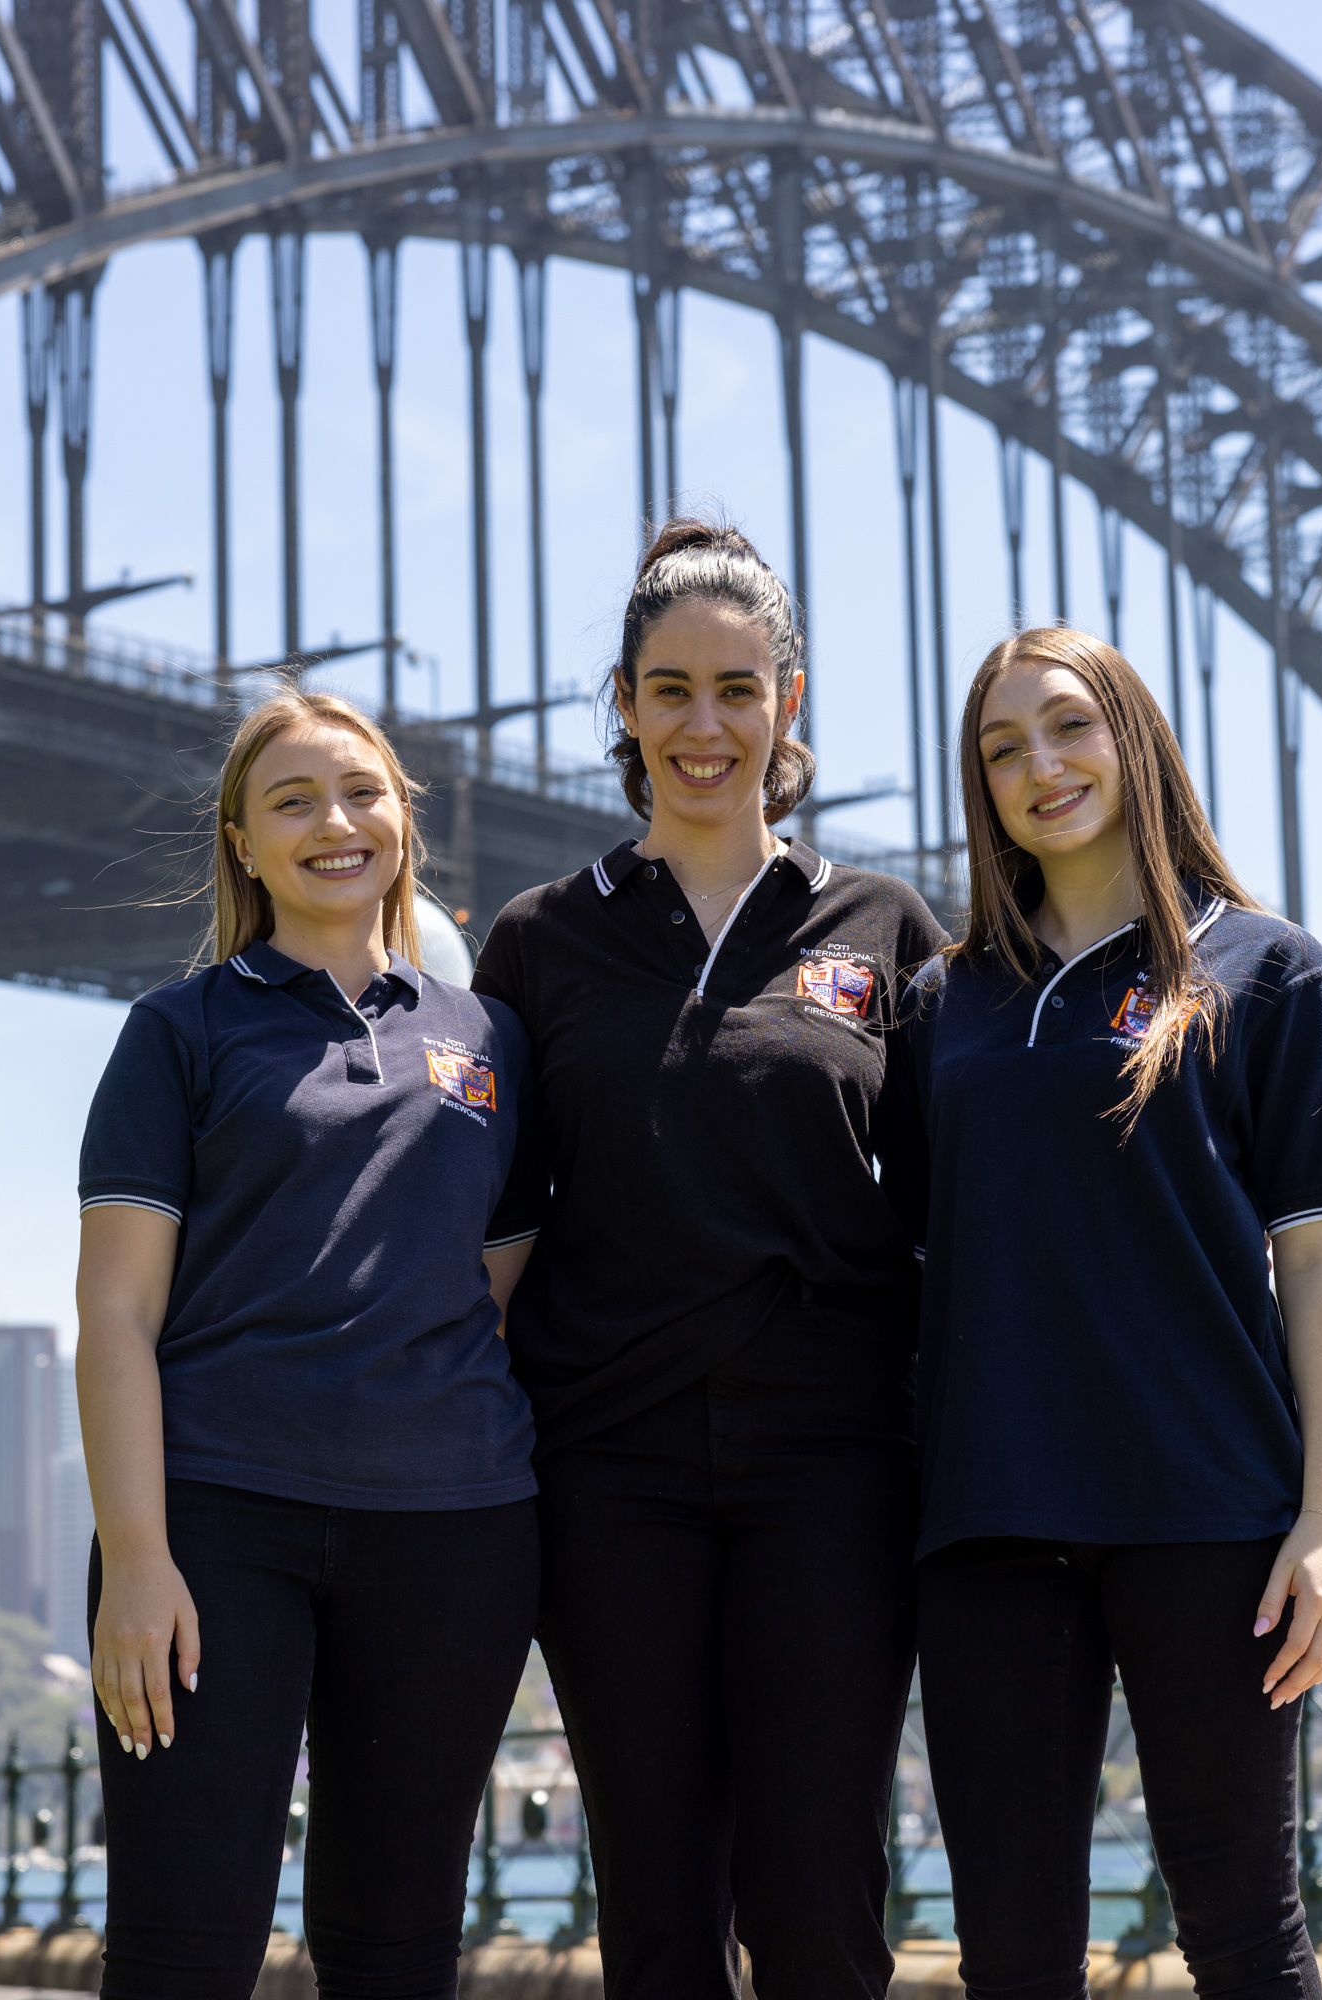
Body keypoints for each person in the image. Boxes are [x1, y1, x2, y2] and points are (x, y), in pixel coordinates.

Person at [471, 521, 947, 2000]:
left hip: (833, 1463)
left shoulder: (882, 930)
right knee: (660, 1914)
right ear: (621, 702)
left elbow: (955, 1215)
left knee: (813, 1904)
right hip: (610, 1469)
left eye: (737, 690)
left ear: (786, 704)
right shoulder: (539, 943)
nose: (703, 725)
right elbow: (490, 1225)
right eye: (668, 690)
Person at [904, 627, 1322, 2000]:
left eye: (1066, 726)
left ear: (1133, 735)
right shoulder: (944, 1002)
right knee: (1010, 1950)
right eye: (1000, 749)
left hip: (1210, 1516)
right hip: (989, 1523)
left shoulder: (1267, 972)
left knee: (1240, 1933)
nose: (1038, 767)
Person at [75, 687, 545, 1999]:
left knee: (397, 1952)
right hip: (218, 1527)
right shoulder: (178, 1034)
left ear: (403, 816)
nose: (333, 823)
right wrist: (136, 1560)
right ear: (242, 841)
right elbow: (114, 1314)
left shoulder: (491, 1041)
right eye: (291, 800)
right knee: (182, 1946)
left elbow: (491, 1286)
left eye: (359, 792)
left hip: (455, 1535)